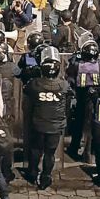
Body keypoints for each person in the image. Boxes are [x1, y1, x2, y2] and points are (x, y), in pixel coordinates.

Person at [24, 46, 71, 190]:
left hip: (38, 123)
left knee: (36, 150)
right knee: (49, 153)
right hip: (55, 126)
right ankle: (45, 178)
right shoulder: (63, 85)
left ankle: (32, 174)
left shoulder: (35, 84)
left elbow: (27, 91)